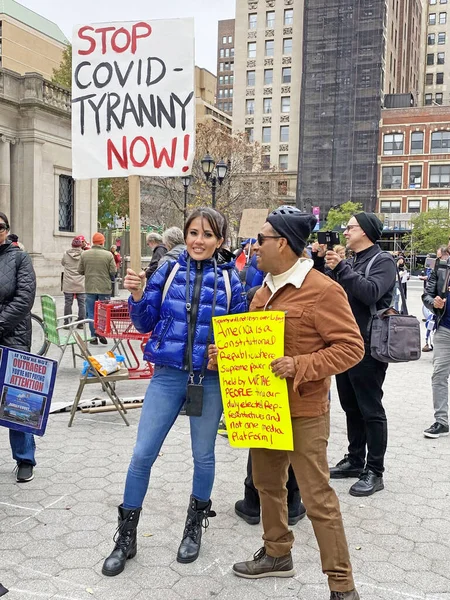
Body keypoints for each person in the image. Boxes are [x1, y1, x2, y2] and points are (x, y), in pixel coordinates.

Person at [222, 207, 364, 599]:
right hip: (265, 409)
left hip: (304, 411)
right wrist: (231, 356)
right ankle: (276, 554)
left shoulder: (323, 290)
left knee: (317, 497)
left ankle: (342, 584)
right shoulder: (263, 290)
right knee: (268, 484)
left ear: (283, 243)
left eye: (261, 240)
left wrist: (300, 364)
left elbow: (352, 348)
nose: (254, 247)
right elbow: (256, 346)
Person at [101, 207, 246, 577]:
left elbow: (240, 336)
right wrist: (137, 296)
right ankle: (126, 538)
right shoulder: (167, 269)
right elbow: (146, 321)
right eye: (194, 232)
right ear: (186, 234)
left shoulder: (232, 278)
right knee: (142, 454)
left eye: (208, 234)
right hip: (167, 376)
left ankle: (194, 527)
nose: (199, 240)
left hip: (208, 380)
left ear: (220, 240)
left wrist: (223, 353)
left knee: (204, 456)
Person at [321, 213, 396, 496]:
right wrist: (323, 263)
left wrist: (342, 268)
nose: (346, 231)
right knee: (350, 405)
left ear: (365, 231)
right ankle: (355, 459)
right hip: (345, 345)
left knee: (370, 409)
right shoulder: (352, 262)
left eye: (350, 227)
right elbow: (330, 292)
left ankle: (375, 471)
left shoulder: (383, 261)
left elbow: (371, 293)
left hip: (369, 345)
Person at [0, 212, 37, 482]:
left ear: (7, 230)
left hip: (13, 337)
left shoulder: (20, 258)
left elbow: (25, 298)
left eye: (0, 227)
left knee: (18, 400)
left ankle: (24, 458)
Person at [422, 245, 450, 439]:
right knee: (439, 375)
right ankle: (441, 421)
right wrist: (434, 303)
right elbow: (427, 295)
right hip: (445, 329)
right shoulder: (442, 268)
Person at [78, 232, 116, 345]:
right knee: (103, 312)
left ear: (93, 242)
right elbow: (113, 271)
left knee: (91, 312)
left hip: (90, 287)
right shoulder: (109, 255)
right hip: (104, 288)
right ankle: (101, 332)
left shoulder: (85, 254)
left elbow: (80, 271)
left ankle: (93, 336)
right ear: (102, 242)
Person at [61, 237, 86, 326]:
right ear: (80, 245)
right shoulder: (84, 255)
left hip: (68, 283)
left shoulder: (66, 254)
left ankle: (67, 322)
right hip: (81, 282)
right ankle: (81, 322)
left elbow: (63, 263)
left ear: (72, 245)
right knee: (82, 303)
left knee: (68, 303)